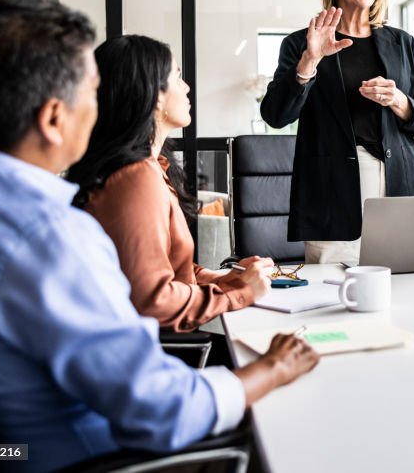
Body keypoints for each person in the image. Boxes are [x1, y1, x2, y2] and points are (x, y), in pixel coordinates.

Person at [0, 0, 318, 473]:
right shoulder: (46, 237)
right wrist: (272, 368)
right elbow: (161, 410)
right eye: (93, 94)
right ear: (55, 118)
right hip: (94, 455)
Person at [67, 35, 272, 333]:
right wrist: (240, 292)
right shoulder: (135, 179)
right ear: (156, 96)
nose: (187, 86)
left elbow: (162, 269)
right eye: (177, 76)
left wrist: (220, 279)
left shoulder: (151, 168)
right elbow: (152, 301)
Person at [260, 0, 414, 265]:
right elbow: (275, 114)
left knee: (410, 291)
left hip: (401, 185)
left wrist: (400, 101)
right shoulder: (302, 42)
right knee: (331, 300)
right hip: (333, 191)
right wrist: (309, 62)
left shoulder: (402, 44)